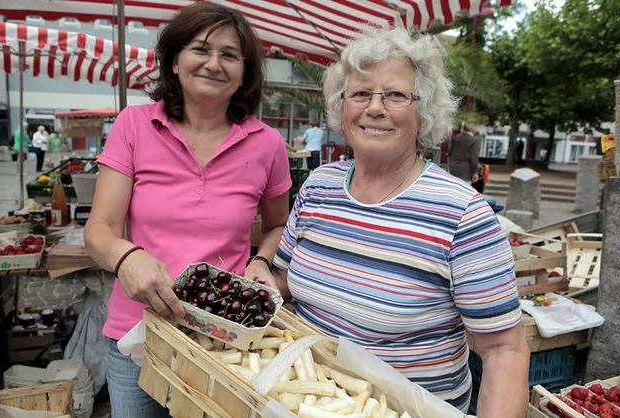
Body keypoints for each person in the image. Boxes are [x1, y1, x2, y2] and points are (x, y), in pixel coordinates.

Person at [265, 27, 529, 417]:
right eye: (360, 94)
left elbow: (503, 349)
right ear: (343, 107)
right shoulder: (318, 187)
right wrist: (258, 280)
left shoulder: (462, 214)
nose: (375, 108)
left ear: (424, 112)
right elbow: (284, 281)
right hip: (303, 402)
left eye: (396, 95)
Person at [84, 3, 291, 417]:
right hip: (138, 336)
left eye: (230, 55)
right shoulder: (134, 124)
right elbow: (99, 230)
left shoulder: (267, 143)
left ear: (244, 73)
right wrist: (127, 257)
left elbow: (278, 224)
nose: (214, 64)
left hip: (222, 339)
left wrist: (263, 261)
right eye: (201, 49)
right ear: (175, 60)